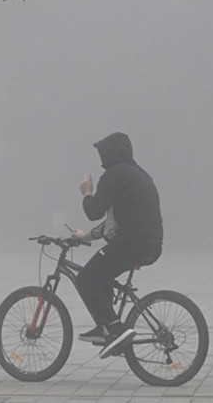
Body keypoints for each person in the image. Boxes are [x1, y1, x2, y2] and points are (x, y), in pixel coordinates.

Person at [71, 132, 163, 359]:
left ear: (111, 153)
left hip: (129, 244)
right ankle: (105, 328)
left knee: (85, 278)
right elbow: (115, 221)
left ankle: (115, 327)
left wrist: (87, 193)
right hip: (149, 243)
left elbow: (94, 212)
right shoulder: (138, 174)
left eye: (103, 152)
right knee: (100, 275)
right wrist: (87, 237)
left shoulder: (115, 174)